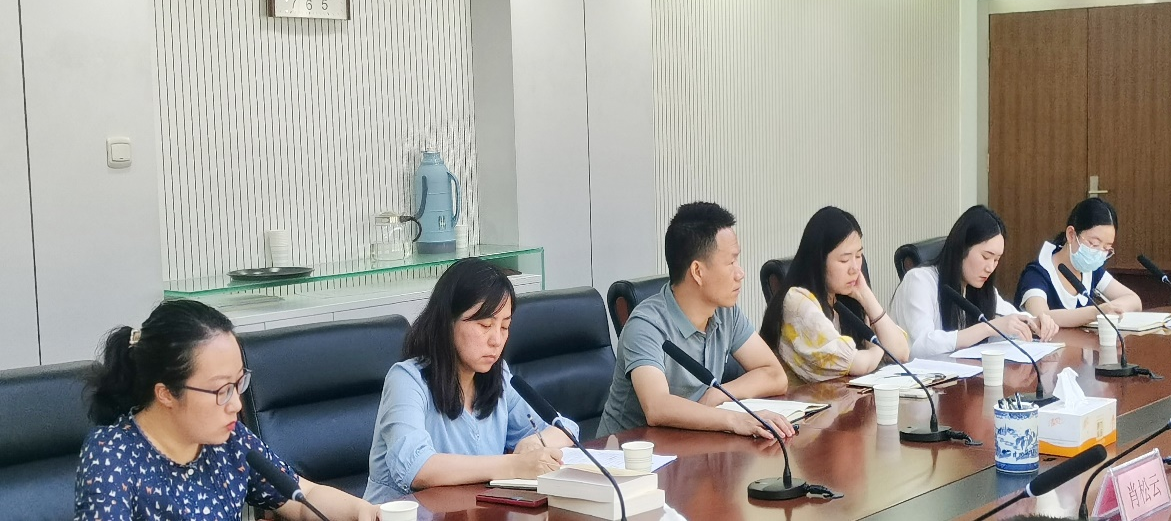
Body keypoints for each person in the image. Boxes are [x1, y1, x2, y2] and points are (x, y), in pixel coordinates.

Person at [76, 299, 378, 521]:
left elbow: (303, 497)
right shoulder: (112, 455)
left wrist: (362, 511)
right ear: (166, 393)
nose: (236, 404)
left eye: (238, 383)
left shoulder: (229, 440)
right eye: (221, 390)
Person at [365, 259, 578, 502]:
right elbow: (418, 468)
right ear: (447, 322)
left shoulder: (499, 376)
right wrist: (515, 465)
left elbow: (567, 429)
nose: (496, 340)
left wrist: (535, 442)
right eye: (485, 325)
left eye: (505, 327)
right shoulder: (407, 379)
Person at [597, 201, 794, 439]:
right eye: (731, 262)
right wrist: (735, 419)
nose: (740, 273)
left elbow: (774, 375)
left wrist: (718, 394)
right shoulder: (645, 325)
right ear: (698, 272)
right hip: (630, 454)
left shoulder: (725, 312)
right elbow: (657, 407)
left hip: (692, 443)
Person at [760, 206, 911, 384]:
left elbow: (901, 354)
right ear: (819, 261)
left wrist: (866, 296)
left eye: (859, 256)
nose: (855, 268)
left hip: (844, 399)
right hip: (802, 401)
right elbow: (858, 364)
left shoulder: (845, 298)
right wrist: (879, 346)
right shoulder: (797, 301)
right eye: (844, 259)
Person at [889, 205, 1058, 358]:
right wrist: (988, 328)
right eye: (985, 257)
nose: (990, 267)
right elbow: (920, 347)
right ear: (962, 248)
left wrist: (1035, 322)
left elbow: (1009, 318)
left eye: (996, 260)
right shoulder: (919, 281)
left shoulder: (979, 287)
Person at [1016, 197, 1142, 327]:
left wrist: (1111, 309)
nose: (1099, 253)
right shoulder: (1037, 274)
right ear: (1071, 235)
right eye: (1094, 244)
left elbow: (1134, 300)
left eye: (1106, 248)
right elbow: (1040, 317)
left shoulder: (1090, 270)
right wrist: (1097, 312)